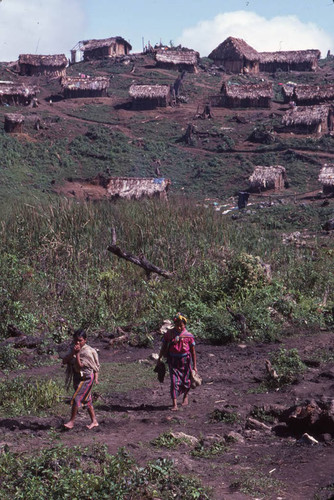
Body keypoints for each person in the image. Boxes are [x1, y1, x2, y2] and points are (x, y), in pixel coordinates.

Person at [157, 313, 197, 411]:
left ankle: (185, 396)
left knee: (186, 381)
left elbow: (193, 352)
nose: (179, 327)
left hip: (185, 361)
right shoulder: (169, 334)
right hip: (173, 361)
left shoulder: (188, 336)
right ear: (174, 324)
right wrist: (159, 358)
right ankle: (174, 404)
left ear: (185, 325)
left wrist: (194, 366)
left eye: (181, 325)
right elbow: (163, 347)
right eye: (177, 325)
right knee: (174, 382)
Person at [61, 329, 100, 430]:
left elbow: (80, 366)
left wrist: (77, 354)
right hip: (77, 377)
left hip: (87, 378)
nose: (77, 342)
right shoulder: (72, 348)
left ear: (85, 340)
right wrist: (72, 353)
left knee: (76, 398)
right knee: (87, 400)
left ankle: (71, 421)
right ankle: (94, 421)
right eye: (75, 340)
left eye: (80, 340)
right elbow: (64, 361)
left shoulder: (87, 351)